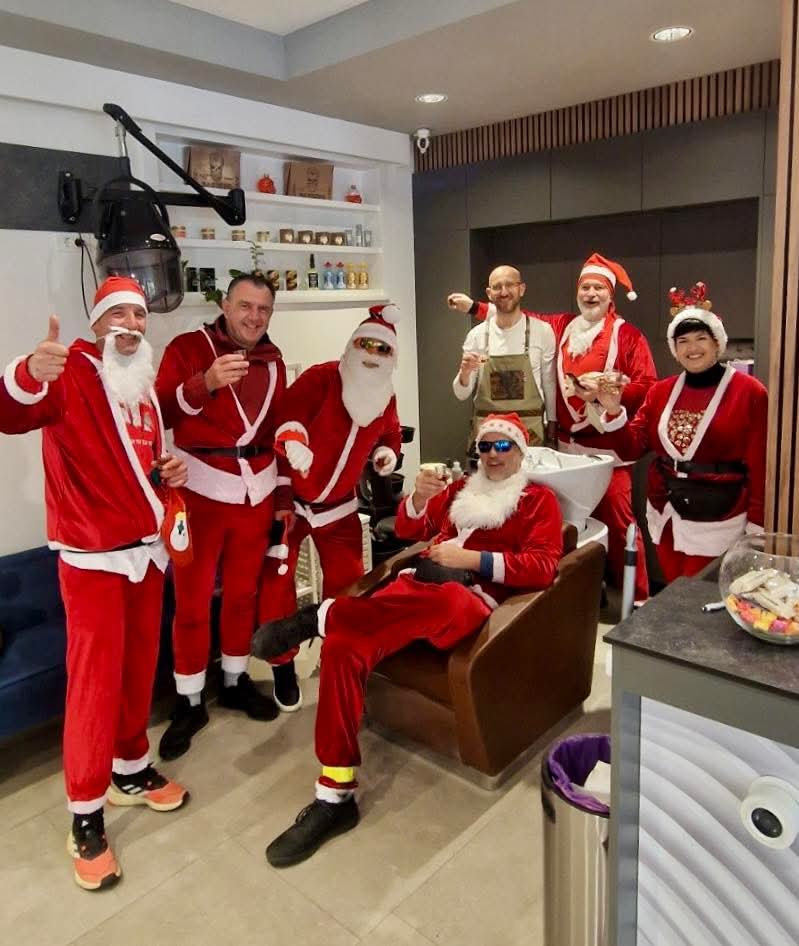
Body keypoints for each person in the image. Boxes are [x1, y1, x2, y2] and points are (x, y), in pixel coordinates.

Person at [251, 412, 563, 867]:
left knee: (448, 601)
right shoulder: (461, 490)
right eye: (485, 446)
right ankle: (334, 796)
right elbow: (406, 530)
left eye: (503, 446)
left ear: (521, 450)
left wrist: (471, 559)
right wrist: (418, 497)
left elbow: (543, 567)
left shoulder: (538, 501)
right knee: (341, 646)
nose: (493, 455)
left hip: (468, 600)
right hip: (415, 587)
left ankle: (322, 614)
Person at [0, 276, 190, 891]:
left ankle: (130, 769)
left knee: (138, 667)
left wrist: (168, 472)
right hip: (91, 558)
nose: (132, 325)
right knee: (94, 683)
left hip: (147, 552)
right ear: (97, 322)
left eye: (139, 315)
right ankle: (85, 812)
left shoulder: (142, 385)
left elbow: (138, 463)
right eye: (119, 315)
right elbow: (10, 413)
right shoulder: (71, 371)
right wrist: (28, 372)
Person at [448, 252, 657, 604]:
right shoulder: (563, 327)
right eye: (585, 287)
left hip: (607, 451)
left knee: (621, 525)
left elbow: (648, 386)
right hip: (562, 450)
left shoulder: (628, 336)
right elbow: (511, 313)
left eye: (598, 288)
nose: (590, 294)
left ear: (610, 295)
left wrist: (610, 389)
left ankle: (638, 599)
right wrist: (474, 307)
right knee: (557, 527)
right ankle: (568, 597)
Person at [154, 274, 292, 761]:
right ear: (226, 305)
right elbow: (161, 411)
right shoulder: (187, 347)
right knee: (191, 601)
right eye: (245, 306)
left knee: (243, 595)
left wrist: (282, 495)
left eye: (263, 309)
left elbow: (278, 432)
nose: (254, 317)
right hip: (200, 488)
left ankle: (234, 680)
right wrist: (206, 383)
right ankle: (189, 700)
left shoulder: (274, 362)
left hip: (257, 489)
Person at [258, 305, 403, 703]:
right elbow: (288, 415)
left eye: (382, 348)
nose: (372, 354)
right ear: (352, 345)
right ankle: (282, 665)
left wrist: (387, 454)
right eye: (366, 343)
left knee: (350, 586)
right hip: (292, 502)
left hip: (339, 508)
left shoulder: (386, 397)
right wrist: (294, 440)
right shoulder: (321, 378)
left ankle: (342, 659)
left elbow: (390, 434)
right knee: (276, 582)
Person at [595, 282, 767, 581]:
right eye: (683, 341)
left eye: (701, 338)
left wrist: (758, 524)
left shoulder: (749, 391)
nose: (692, 348)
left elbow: (761, 464)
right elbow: (632, 448)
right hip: (667, 512)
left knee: (703, 596)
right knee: (674, 591)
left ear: (717, 343)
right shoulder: (661, 391)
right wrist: (612, 411)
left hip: (721, 514)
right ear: (675, 348)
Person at [448, 265, 556, 446]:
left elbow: (549, 383)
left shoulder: (542, 332)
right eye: (497, 287)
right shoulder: (477, 336)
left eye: (510, 285)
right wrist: (464, 373)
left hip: (530, 436)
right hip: (488, 437)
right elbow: (461, 394)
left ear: (521, 289)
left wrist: (552, 425)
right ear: (489, 293)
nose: (504, 292)